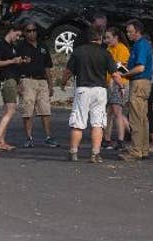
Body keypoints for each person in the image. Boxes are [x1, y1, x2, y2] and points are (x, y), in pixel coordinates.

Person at [60, 26, 115, 162]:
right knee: (97, 123)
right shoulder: (105, 53)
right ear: (100, 38)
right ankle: (95, 153)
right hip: (100, 90)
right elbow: (114, 73)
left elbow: (68, 71)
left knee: (78, 121)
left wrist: (63, 82)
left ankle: (73, 152)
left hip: (83, 88)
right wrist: (120, 85)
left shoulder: (78, 52)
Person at [15, 22, 58, 148]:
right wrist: (18, 83)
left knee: (45, 110)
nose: (32, 33)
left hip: (42, 81)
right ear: (24, 32)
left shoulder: (43, 46)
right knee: (28, 110)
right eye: (28, 31)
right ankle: (29, 137)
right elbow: (15, 66)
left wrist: (50, 85)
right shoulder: (20, 47)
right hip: (27, 80)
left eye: (34, 30)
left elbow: (47, 67)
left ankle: (48, 137)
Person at [119, 19, 153, 161]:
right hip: (144, 83)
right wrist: (126, 64)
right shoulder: (141, 45)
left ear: (138, 31)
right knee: (143, 117)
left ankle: (136, 150)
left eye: (130, 32)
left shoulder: (141, 45)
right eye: (127, 32)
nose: (128, 34)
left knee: (135, 118)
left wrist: (124, 74)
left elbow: (140, 67)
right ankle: (143, 148)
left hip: (138, 83)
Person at [0, 23, 25, 151]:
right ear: (11, 31)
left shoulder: (12, 47)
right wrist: (12, 61)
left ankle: (1, 141)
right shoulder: (1, 45)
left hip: (13, 80)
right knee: (11, 110)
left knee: (6, 111)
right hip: (7, 80)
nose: (17, 38)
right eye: (17, 35)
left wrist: (19, 62)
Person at [103, 27, 129, 150]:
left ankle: (120, 140)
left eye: (109, 37)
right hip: (109, 84)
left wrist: (118, 84)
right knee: (109, 112)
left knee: (117, 112)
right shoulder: (109, 49)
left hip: (118, 83)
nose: (106, 40)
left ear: (116, 37)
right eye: (105, 37)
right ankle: (106, 138)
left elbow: (121, 67)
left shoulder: (122, 49)